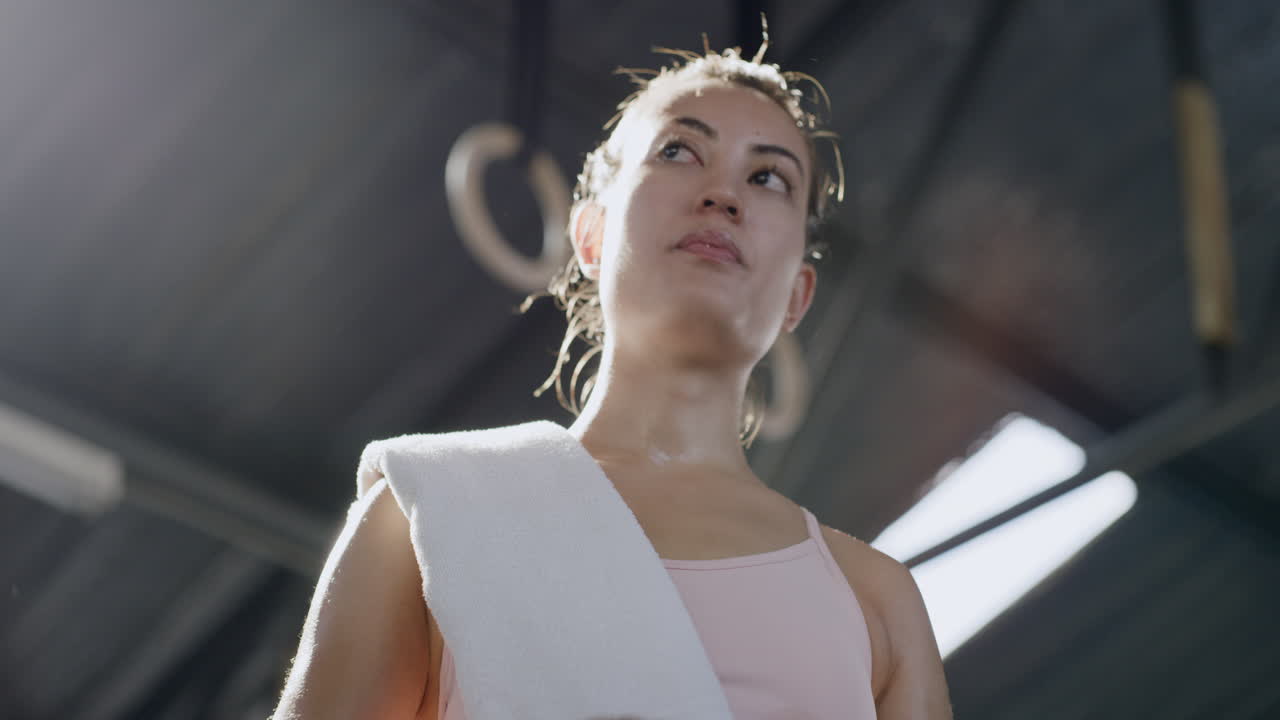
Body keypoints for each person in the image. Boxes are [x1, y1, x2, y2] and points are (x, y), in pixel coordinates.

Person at [273, 36, 952, 720]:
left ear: (798, 298)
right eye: (679, 151)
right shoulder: (428, 514)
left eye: (768, 177)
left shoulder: (877, 604)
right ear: (591, 237)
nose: (722, 194)